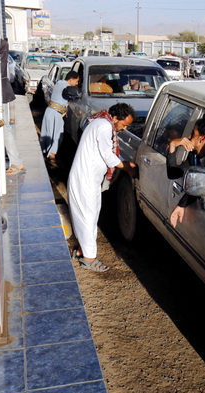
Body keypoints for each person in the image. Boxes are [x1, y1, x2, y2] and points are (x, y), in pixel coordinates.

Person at [67, 103, 138, 272]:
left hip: (87, 179)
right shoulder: (105, 126)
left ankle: (82, 250)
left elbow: (107, 152)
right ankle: (89, 258)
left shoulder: (101, 123)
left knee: (87, 216)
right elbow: (108, 156)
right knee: (88, 217)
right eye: (124, 124)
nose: (124, 129)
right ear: (115, 118)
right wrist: (127, 167)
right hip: (85, 179)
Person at [166, 117, 205, 228]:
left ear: (202, 139)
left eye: (193, 134)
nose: (189, 137)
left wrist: (181, 204)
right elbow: (173, 173)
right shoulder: (194, 156)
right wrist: (173, 144)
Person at [40, 71, 80, 166]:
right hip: (55, 113)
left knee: (48, 133)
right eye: (76, 81)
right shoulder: (66, 86)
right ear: (71, 80)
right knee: (57, 136)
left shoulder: (59, 83)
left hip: (50, 112)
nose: (77, 84)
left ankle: (45, 155)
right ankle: (52, 157)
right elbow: (74, 92)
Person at [0, 38, 25, 174]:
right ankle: (16, 161)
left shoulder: (0, 45)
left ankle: (16, 162)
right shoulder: (1, 45)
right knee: (4, 128)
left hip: (0, 93)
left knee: (4, 128)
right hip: (1, 92)